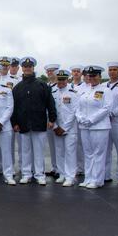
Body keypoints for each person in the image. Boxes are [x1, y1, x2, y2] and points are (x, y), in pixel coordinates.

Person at [11, 57, 57, 186]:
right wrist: (14, 122)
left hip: (39, 123)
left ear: (33, 68)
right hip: (23, 124)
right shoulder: (17, 87)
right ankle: (26, 174)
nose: (27, 68)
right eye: (25, 67)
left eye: (29, 66)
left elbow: (50, 103)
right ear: (22, 68)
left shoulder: (42, 85)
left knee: (38, 151)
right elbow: (13, 107)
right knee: (25, 151)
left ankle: (39, 174)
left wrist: (52, 119)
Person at [76, 65, 112, 189]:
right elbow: (78, 107)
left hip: (99, 126)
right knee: (88, 153)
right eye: (89, 76)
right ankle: (88, 178)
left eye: (94, 75)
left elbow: (106, 108)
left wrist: (92, 119)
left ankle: (97, 180)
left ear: (100, 76)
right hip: (85, 126)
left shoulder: (106, 90)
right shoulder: (86, 91)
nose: (91, 78)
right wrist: (80, 118)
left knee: (98, 154)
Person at [51, 69, 79, 187]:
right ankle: (62, 173)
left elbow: (74, 111)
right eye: (59, 79)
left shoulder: (73, 92)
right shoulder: (52, 92)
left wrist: (64, 127)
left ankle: (70, 176)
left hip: (70, 128)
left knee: (70, 152)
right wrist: (56, 126)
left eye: (63, 79)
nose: (61, 81)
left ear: (67, 79)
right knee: (59, 152)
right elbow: (50, 110)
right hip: (57, 128)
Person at [44, 64, 61, 179]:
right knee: (52, 146)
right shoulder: (46, 86)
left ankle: (61, 169)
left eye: (52, 71)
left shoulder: (61, 86)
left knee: (60, 147)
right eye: (48, 71)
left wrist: (55, 121)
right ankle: (54, 168)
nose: (50, 73)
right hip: (48, 121)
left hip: (59, 121)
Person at [70, 65, 87, 176]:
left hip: (80, 118)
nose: (76, 73)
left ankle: (81, 167)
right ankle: (72, 167)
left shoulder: (86, 86)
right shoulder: (67, 85)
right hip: (69, 119)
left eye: (78, 71)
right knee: (71, 146)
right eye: (74, 71)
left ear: (81, 74)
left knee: (81, 145)